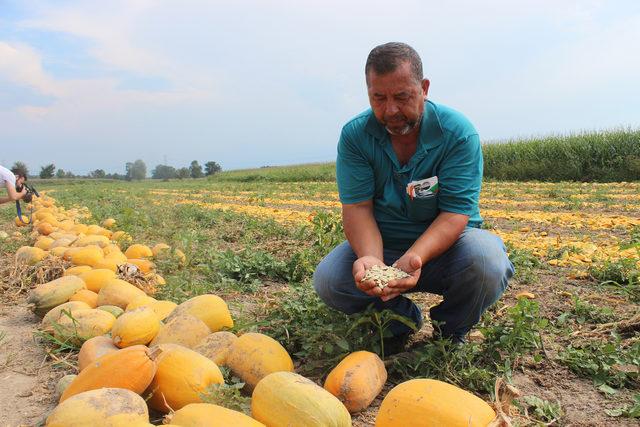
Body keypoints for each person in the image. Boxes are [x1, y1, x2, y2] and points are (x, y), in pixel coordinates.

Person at [313, 42, 514, 348]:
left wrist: (416, 257)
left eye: (402, 97)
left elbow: (454, 214)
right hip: (386, 244)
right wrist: (372, 260)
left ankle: (450, 331)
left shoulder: (457, 133)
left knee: (486, 262)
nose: (390, 110)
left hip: (449, 249)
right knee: (330, 280)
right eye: (378, 98)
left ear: (424, 88)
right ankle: (398, 324)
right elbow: (358, 209)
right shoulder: (356, 135)